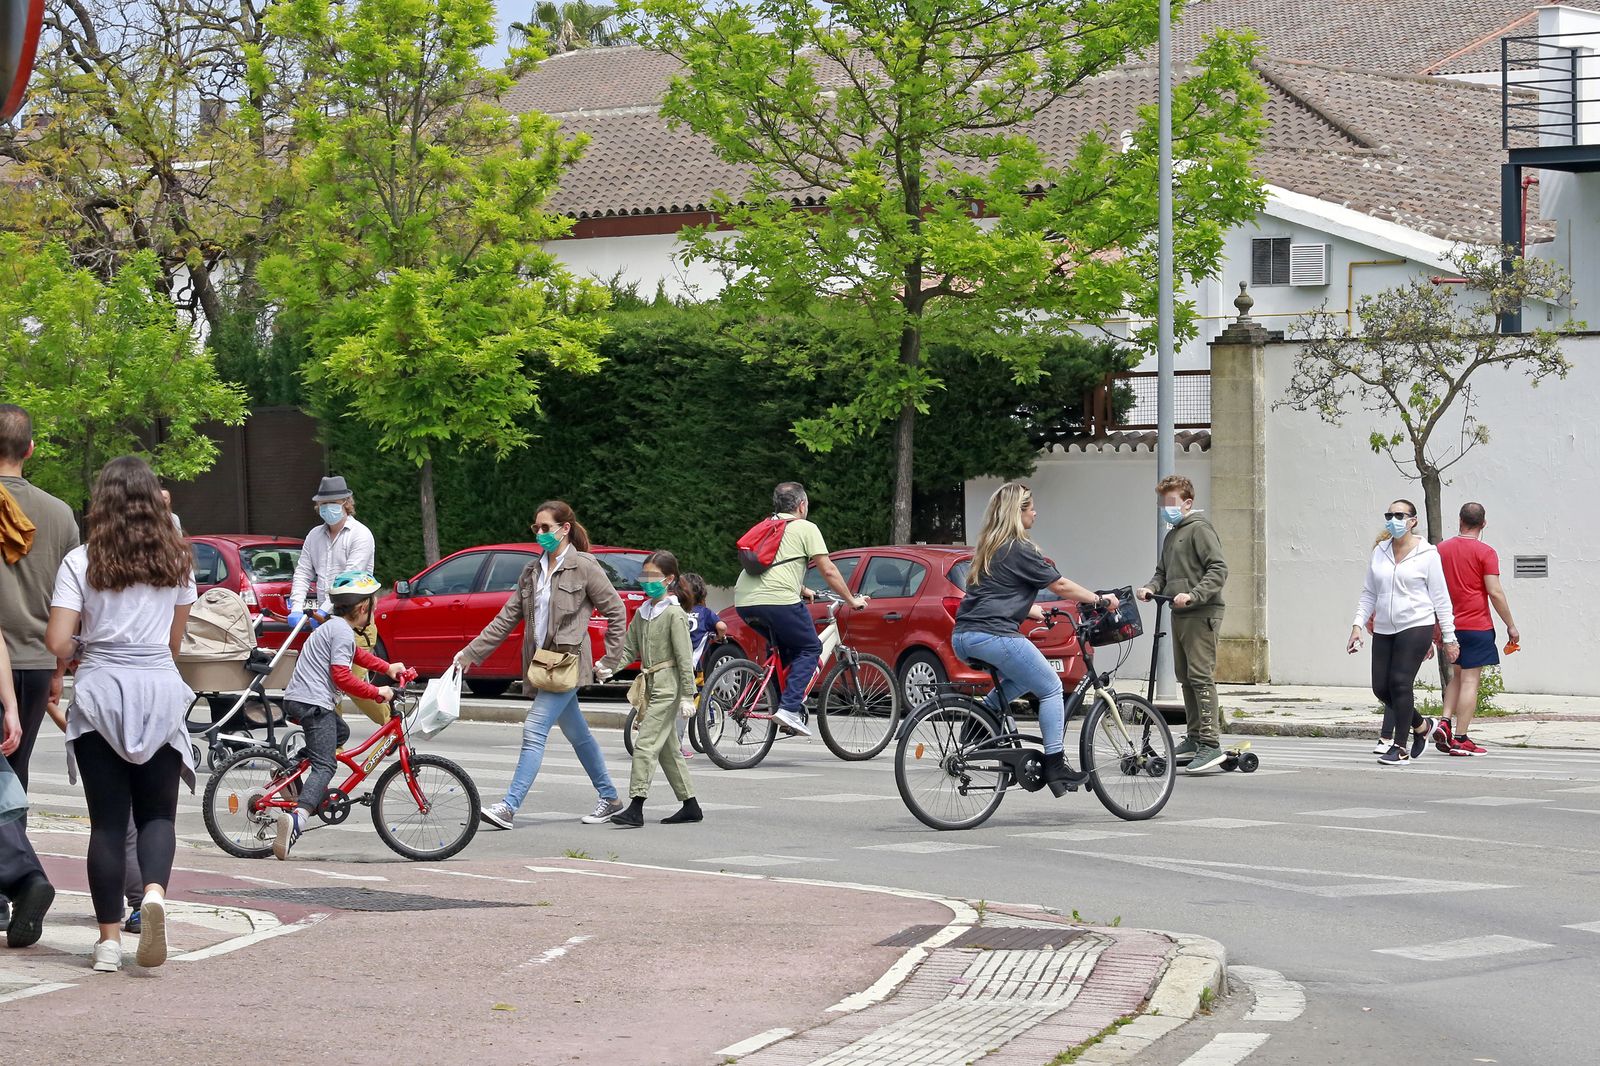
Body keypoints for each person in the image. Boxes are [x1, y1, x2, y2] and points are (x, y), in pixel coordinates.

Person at [44, 456, 198, 973]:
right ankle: (152, 893)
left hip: (101, 692)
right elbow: (175, 643)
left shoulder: (80, 561)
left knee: (108, 825)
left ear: (101, 503)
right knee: (157, 815)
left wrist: (91, 642)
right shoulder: (176, 560)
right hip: (158, 686)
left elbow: (57, 641)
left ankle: (107, 942)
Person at [455, 501, 627, 830]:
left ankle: (509, 806)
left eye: (545, 527)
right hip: (543, 663)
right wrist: (470, 653)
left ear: (565, 529)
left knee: (534, 729)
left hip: (569, 662)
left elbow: (616, 612)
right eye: (536, 528)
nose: (540, 534)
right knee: (578, 733)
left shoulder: (584, 567)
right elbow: (505, 619)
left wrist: (611, 660)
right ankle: (611, 797)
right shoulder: (532, 571)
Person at [953, 483, 1119, 795]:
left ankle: (979, 723)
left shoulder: (990, 547)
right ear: (1018, 512)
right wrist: (1099, 599)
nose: (1035, 513)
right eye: (1030, 508)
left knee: (1021, 679)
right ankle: (1055, 764)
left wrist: (1030, 610)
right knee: (1052, 687)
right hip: (993, 634)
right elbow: (1062, 586)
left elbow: (993, 594)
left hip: (964, 636)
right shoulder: (1020, 548)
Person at [0, 403, 76, 947]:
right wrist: (59, 671)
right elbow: (70, 603)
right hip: (35, 662)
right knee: (14, 780)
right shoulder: (59, 514)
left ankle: (19, 886)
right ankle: (16, 891)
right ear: (30, 449)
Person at [273, 571, 410, 860]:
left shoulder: (334, 627)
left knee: (341, 733)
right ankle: (297, 819)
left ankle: (288, 774)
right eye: (373, 605)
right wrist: (378, 692)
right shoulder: (342, 632)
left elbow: (358, 656)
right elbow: (343, 676)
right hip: (314, 703)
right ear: (363, 609)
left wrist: (387, 669)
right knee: (325, 766)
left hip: (301, 698)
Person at [733, 482, 867, 737]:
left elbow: (772, 566)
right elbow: (828, 570)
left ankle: (772, 701)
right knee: (810, 647)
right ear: (802, 505)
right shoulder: (806, 528)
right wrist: (851, 600)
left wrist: (803, 589)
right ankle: (789, 709)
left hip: (744, 600)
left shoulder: (767, 526)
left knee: (782, 651)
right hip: (778, 600)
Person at [1348, 499, 1459, 766]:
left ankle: (1400, 747)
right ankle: (1422, 726)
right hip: (1385, 627)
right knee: (1381, 688)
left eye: (1399, 515)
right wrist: (1357, 626)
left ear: (1413, 521)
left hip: (1416, 624)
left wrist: (1449, 637)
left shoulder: (1427, 553)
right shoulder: (1380, 551)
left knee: (1400, 683)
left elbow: (1441, 598)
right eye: (1389, 514)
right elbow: (1369, 593)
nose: (1393, 519)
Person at [595, 551, 701, 828]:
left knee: (644, 745)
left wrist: (688, 695)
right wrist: (610, 666)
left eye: (653, 577)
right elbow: (629, 648)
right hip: (651, 684)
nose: (646, 582)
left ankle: (636, 806)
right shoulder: (644, 612)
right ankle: (691, 805)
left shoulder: (674, 614)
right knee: (667, 750)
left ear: (669, 579)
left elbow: (684, 657)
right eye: (644, 577)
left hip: (669, 687)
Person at [1136, 475, 1230, 774]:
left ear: (1187, 503)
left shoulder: (1199, 530)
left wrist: (1193, 595)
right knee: (1186, 677)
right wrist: (1150, 587)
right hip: (1179, 613)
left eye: (1170, 502)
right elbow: (1161, 572)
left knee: (1201, 676)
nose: (1164, 507)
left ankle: (1210, 743)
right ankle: (1193, 738)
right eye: (1161, 502)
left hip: (1201, 613)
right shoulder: (1171, 534)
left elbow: (1218, 569)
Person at [1437, 502, 1520, 756]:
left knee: (1457, 676)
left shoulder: (1440, 550)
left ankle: (1445, 722)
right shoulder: (1486, 552)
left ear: (1459, 520)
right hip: (1476, 624)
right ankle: (1461, 738)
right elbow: (1494, 591)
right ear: (1483, 524)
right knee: (1471, 680)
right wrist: (1510, 624)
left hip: (1449, 624)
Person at [287, 476, 376, 624]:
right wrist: (296, 608)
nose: (328, 507)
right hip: (323, 619)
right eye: (324, 503)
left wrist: (324, 610)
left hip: (354, 619)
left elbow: (349, 579)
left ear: (345, 503)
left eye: (333, 503)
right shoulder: (314, 536)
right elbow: (303, 573)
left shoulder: (360, 534)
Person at [677, 571, 725, 758]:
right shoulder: (705, 613)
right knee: (685, 704)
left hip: (670, 661)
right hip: (691, 665)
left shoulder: (675, 609)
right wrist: (721, 636)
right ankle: (677, 745)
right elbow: (721, 627)